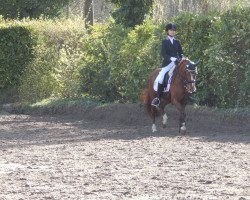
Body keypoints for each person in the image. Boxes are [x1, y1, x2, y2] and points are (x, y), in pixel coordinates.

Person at [151, 23, 184, 107]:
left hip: (176, 63)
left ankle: (187, 94)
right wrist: (170, 58)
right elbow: (163, 54)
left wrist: (181, 57)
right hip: (167, 64)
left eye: (174, 30)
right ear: (167, 31)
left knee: (186, 73)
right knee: (160, 77)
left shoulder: (177, 42)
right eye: (171, 30)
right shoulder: (164, 42)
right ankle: (157, 98)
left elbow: (181, 53)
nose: (173, 32)